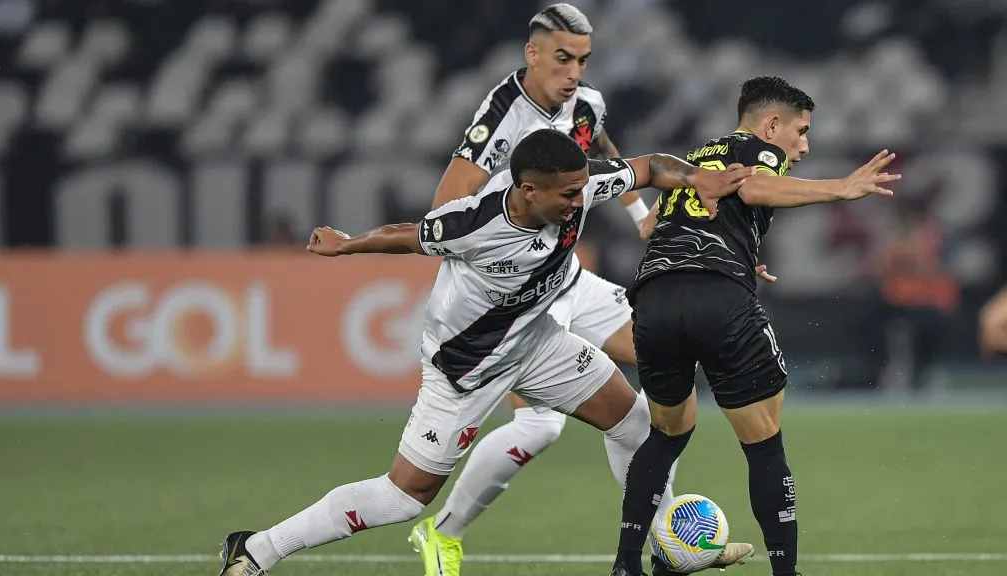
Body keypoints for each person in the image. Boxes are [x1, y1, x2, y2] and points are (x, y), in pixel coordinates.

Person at [215, 128, 753, 576]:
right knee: (405, 498)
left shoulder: (580, 187)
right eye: (565, 196)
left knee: (635, 423)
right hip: (464, 372)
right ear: (527, 190)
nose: (577, 204)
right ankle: (258, 549)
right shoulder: (476, 224)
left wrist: (697, 176)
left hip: (538, 343)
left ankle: (666, 545)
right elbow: (410, 234)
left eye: (580, 191)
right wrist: (347, 244)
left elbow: (650, 166)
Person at [413, 5, 758, 573]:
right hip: (512, 300)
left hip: (568, 281)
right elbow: (445, 213)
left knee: (662, 364)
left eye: (583, 60)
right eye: (563, 58)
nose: (574, 72)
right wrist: (506, 238)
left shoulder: (587, 104)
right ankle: (442, 533)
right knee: (541, 425)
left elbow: (601, 146)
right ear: (533, 53)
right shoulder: (500, 121)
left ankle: (670, 543)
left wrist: (639, 212)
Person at [611, 76, 901, 576]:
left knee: (666, 434)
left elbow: (655, 228)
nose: (805, 146)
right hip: (718, 300)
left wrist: (741, 258)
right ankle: (786, 573)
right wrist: (842, 188)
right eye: (801, 131)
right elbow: (756, 185)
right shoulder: (754, 151)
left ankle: (624, 566)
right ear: (771, 125)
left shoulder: (695, 160)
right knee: (764, 440)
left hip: (655, 298)